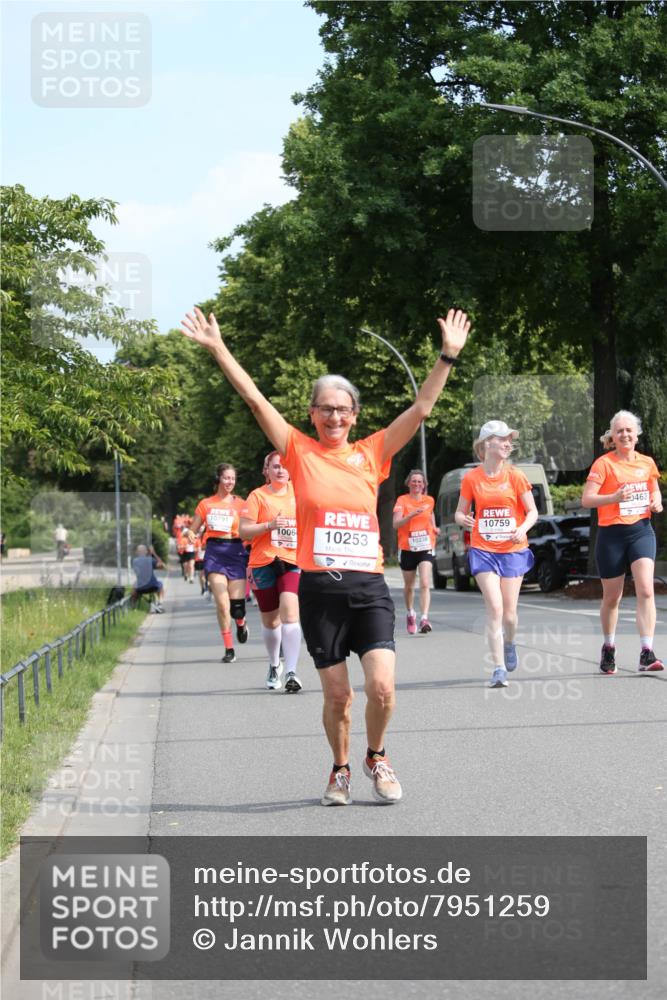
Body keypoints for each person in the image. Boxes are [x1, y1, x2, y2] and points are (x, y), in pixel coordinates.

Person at [181, 304, 470, 806]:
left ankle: (376, 755)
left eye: (343, 409)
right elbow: (253, 399)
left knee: (382, 689)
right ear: (312, 414)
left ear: (354, 415)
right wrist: (218, 348)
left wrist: (447, 355)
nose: (335, 417)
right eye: (326, 409)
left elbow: (422, 409)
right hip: (319, 590)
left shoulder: (372, 452)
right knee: (339, 696)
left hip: (367, 587)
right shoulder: (297, 450)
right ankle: (340, 769)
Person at [454, 420, 538, 689]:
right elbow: (459, 512)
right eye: (502, 439)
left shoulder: (516, 476)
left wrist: (522, 528)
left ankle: (509, 642)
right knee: (495, 607)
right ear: (486, 443)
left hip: (512, 550)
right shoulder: (472, 478)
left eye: (509, 440)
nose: (507, 443)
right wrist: (464, 520)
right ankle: (499, 668)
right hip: (484, 550)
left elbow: (533, 512)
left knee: (509, 614)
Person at [581, 410, 664, 673]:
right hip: (611, 535)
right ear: (613, 436)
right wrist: (613, 498)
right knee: (612, 597)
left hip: (641, 531)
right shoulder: (603, 464)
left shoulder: (647, 463)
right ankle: (608, 647)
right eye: (620, 431)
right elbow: (587, 499)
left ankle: (647, 652)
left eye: (629, 430)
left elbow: (654, 491)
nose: (625, 434)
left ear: (637, 435)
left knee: (646, 590)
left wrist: (657, 502)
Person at [240, 451, 303, 693]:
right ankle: (275, 663)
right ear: (266, 471)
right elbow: (244, 531)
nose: (281, 470)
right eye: (275, 466)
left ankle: (291, 672)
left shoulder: (300, 493)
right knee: (271, 620)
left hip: (291, 560)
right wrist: (269, 525)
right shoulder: (257, 496)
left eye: (285, 466)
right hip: (262, 561)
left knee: (290, 612)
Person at [187, 464, 249, 663]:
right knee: (222, 604)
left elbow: (250, 527)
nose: (230, 482)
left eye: (233, 478)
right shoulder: (206, 504)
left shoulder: (242, 504)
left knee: (237, 608)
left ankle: (241, 623)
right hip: (215, 553)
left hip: (236, 552)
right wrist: (190, 534)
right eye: (226, 478)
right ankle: (229, 649)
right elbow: (193, 529)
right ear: (218, 479)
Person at [392, 470, 438, 635]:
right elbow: (396, 524)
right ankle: (411, 613)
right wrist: (410, 515)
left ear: (424, 485)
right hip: (407, 548)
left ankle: (424, 618)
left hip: (425, 545)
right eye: (414, 481)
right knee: (409, 586)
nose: (417, 484)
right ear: (409, 483)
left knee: (425, 582)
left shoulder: (429, 500)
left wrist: (434, 527)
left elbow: (430, 514)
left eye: (420, 481)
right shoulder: (402, 500)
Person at [131, 544, 166, 611]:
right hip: (152, 586)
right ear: (146, 552)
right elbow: (162, 566)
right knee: (160, 584)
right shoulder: (151, 560)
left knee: (134, 586)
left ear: (137, 552)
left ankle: (133, 606)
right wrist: (153, 553)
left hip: (140, 588)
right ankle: (160, 604)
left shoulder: (134, 561)